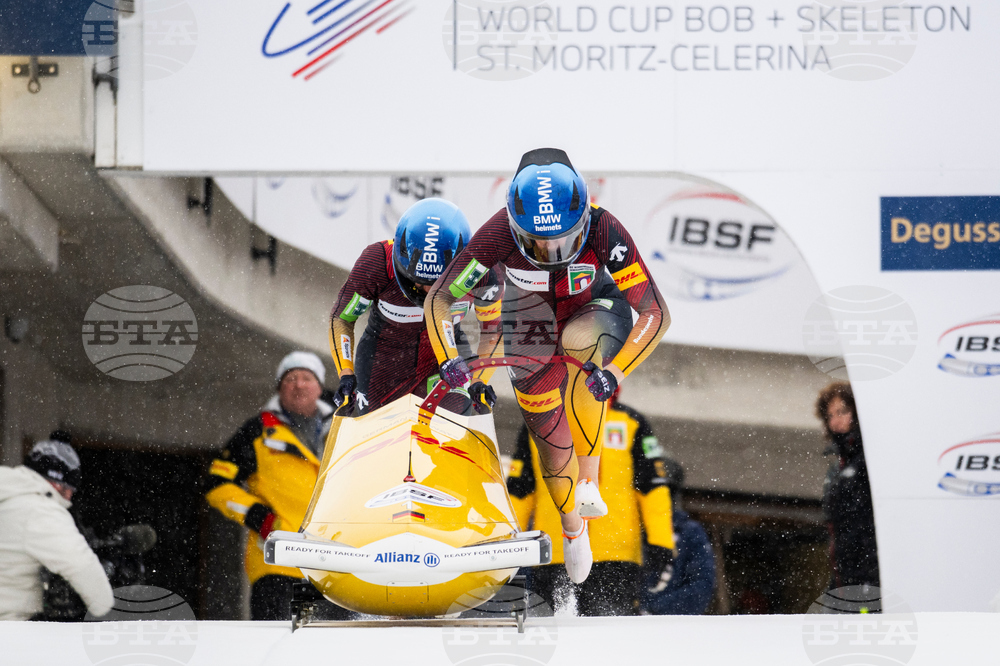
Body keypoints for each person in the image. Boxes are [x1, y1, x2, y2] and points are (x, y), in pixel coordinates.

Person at [426, 148, 669, 583]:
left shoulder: (605, 228)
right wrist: (449, 358)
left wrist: (616, 372)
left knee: (586, 348)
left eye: (565, 238)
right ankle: (573, 530)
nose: (554, 250)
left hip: (593, 306)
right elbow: (441, 300)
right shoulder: (496, 234)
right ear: (516, 228)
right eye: (540, 241)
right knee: (553, 451)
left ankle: (590, 481)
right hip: (529, 321)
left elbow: (654, 313)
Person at [204, 351, 346, 621]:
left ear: (319, 386)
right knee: (277, 648)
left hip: (337, 564)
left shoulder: (346, 425)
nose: (299, 385)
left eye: (306, 378)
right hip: (279, 562)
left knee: (333, 652)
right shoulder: (257, 431)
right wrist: (257, 515)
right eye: (290, 379)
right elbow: (217, 483)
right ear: (280, 388)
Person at [507, 389, 675, 615]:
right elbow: (520, 492)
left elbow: (652, 489)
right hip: (556, 553)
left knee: (611, 634)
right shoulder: (539, 423)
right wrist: (508, 545)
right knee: (558, 632)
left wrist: (661, 543)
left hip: (616, 557)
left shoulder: (630, 422)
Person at [329, 197, 498, 416]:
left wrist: (479, 380)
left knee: (452, 434)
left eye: (441, 283)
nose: (430, 292)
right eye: (421, 282)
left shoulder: (481, 270)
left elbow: (494, 331)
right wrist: (346, 372)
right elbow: (342, 318)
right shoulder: (377, 262)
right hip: (383, 364)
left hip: (447, 361)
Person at [0, 432, 113, 621]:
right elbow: (80, 564)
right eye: (70, 490)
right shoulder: (40, 510)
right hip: (9, 630)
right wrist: (107, 609)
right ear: (58, 484)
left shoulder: (8, 493)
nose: (69, 499)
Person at [816, 382, 880, 590]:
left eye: (842, 412)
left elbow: (865, 525)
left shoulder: (867, 458)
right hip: (847, 571)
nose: (836, 421)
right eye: (830, 415)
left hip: (866, 574)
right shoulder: (840, 463)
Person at [642, 460, 716, 615]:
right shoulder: (628, 532)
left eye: (665, 492)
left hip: (671, 628)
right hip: (626, 624)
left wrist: (653, 610)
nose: (657, 499)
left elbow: (702, 585)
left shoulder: (689, 532)